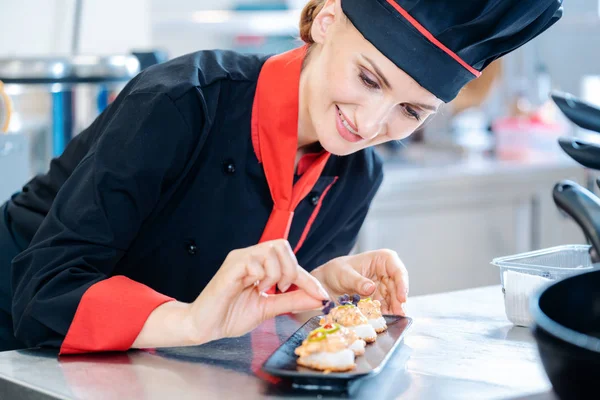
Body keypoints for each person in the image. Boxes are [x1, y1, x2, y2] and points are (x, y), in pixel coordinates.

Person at [0, 0, 563, 354]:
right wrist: (193, 321)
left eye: (410, 112)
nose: (369, 125)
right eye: (368, 78)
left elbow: (235, 321)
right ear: (326, 20)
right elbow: (43, 295)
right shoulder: (178, 104)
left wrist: (314, 288)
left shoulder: (356, 175)